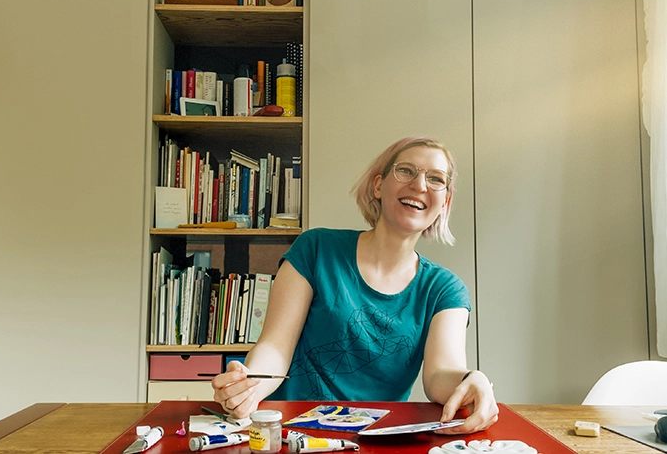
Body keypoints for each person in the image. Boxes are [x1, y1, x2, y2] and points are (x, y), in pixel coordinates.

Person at [210, 136, 498, 434]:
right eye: (406, 171)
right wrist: (250, 386)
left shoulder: (444, 289)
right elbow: (276, 346)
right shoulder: (316, 247)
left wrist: (470, 379)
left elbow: (439, 374)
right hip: (290, 433)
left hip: (374, 440)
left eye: (436, 179)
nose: (420, 185)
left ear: (444, 202)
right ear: (378, 186)